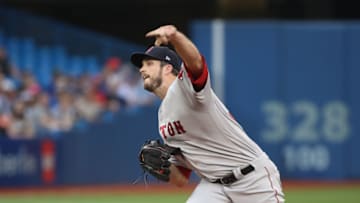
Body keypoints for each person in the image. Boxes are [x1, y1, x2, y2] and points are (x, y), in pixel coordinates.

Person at [130, 25, 285, 203]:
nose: (142, 69)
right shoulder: (163, 118)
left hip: (251, 178)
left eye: (149, 64)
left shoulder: (185, 88)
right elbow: (180, 178)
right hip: (214, 186)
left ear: (167, 68)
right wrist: (156, 166)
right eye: (141, 65)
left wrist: (174, 37)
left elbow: (195, 62)